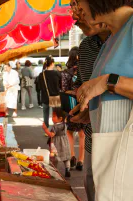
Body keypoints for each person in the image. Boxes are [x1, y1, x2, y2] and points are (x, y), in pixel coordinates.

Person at [71, 0, 133, 200]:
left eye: (76, 2)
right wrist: (92, 111)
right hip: (108, 157)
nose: (75, 12)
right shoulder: (113, 38)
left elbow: (111, 83)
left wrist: (109, 82)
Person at [61, 47, 85, 170]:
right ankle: (81, 160)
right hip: (84, 105)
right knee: (82, 133)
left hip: (71, 106)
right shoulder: (84, 70)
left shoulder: (65, 73)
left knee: (70, 132)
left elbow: (64, 90)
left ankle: (72, 157)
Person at [42, 108, 71, 177]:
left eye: (54, 116)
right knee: (66, 157)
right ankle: (67, 169)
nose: (52, 118)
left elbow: (51, 134)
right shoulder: (65, 124)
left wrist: (45, 129)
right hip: (65, 142)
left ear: (60, 118)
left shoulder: (55, 126)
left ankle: (54, 170)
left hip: (56, 143)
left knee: (54, 158)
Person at [38, 56, 61, 128]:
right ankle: (56, 128)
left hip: (45, 96)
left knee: (45, 114)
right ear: (52, 63)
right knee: (56, 114)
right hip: (55, 96)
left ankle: (46, 129)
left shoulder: (42, 74)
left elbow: (39, 87)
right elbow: (61, 85)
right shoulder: (57, 73)